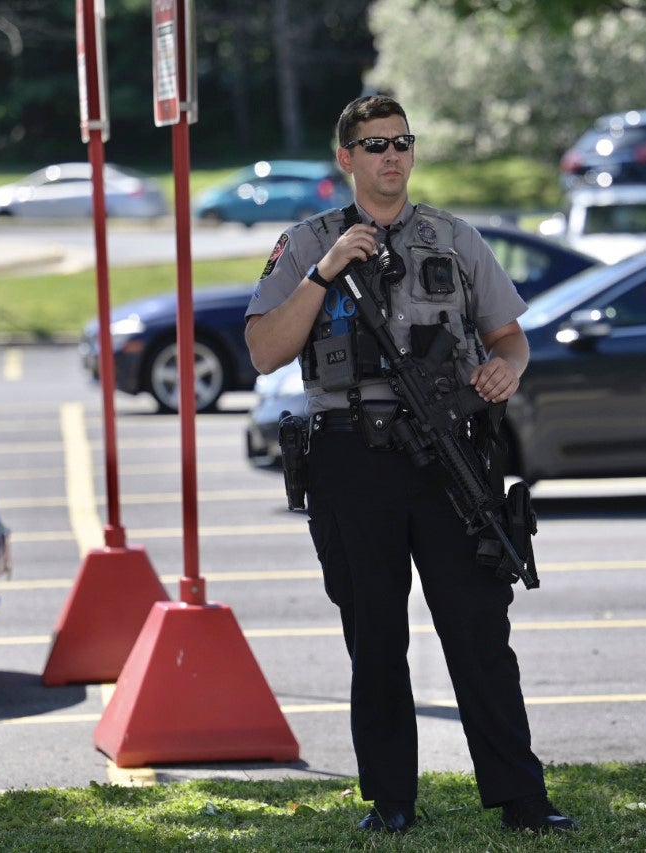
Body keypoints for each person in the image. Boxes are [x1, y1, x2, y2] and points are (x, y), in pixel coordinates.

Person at [244, 95, 576, 835]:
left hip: (449, 455)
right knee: (376, 636)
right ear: (346, 159)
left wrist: (505, 371)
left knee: (479, 630)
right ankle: (391, 801)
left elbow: (509, 339)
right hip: (350, 459)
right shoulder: (305, 244)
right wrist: (327, 272)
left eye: (401, 142)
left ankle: (522, 798)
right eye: (373, 144)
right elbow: (266, 350)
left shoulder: (454, 239)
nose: (390, 155)